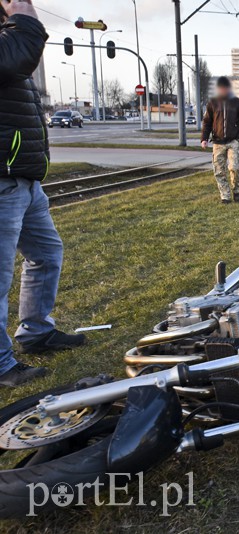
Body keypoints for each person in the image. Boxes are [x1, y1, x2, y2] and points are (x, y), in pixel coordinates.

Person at [0, 0, 86, 387]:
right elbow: (16, 59)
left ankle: (36, 332)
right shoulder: (12, 39)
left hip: (23, 179)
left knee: (46, 254)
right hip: (3, 179)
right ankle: (1, 365)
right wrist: (22, 15)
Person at [201, 76, 239, 203]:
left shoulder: (238, 103)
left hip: (233, 141)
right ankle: (225, 196)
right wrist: (204, 138)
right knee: (219, 170)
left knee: (235, 167)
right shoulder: (212, 103)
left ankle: (236, 190)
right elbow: (207, 122)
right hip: (217, 142)